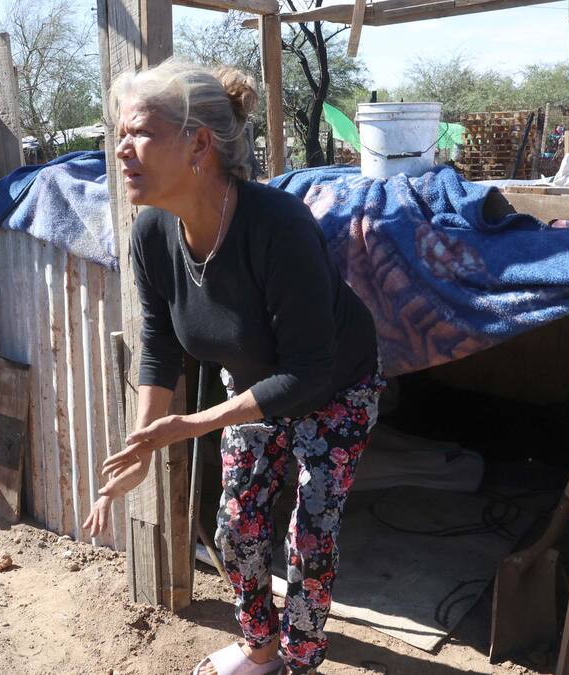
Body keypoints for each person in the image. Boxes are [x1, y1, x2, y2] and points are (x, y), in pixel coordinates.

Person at [81, 59, 383, 675]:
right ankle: (260, 647)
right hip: (251, 386)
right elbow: (160, 341)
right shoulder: (151, 233)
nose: (121, 149)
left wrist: (190, 426)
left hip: (333, 385)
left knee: (309, 534)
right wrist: (142, 443)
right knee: (236, 527)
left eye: (139, 132)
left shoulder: (279, 226)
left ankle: (300, 660)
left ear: (198, 143)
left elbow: (305, 371)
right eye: (119, 134)